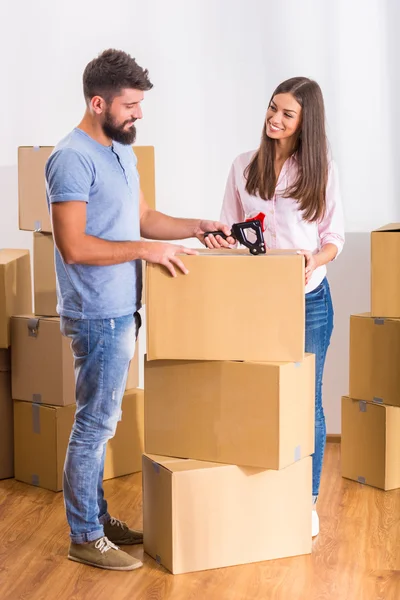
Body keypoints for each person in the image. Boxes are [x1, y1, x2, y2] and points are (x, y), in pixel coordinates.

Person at [45, 48, 234, 572]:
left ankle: (98, 519)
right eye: (131, 105)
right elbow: (74, 246)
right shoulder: (71, 157)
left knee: (103, 420)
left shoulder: (121, 152)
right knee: (95, 425)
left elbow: (143, 216)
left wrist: (197, 225)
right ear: (98, 101)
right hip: (96, 312)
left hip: (123, 307)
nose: (139, 115)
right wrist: (147, 251)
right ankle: (83, 535)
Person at [219, 77, 344, 538]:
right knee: (255, 394)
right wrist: (224, 238)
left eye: (287, 113)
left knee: (306, 401)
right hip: (256, 302)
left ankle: (305, 499)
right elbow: (231, 231)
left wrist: (313, 259)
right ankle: (255, 490)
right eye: (273, 108)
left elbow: (334, 239)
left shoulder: (320, 170)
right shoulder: (242, 166)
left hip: (308, 300)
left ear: (305, 121)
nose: (275, 118)